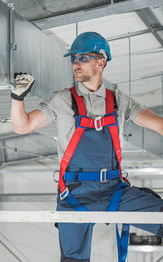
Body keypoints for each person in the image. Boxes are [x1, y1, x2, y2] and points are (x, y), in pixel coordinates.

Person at [10, 31, 163, 262]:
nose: (75, 63)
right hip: (74, 193)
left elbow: (160, 124)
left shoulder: (119, 100)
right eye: (73, 58)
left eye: (82, 58)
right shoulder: (61, 100)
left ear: (101, 61)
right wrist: (17, 98)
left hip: (113, 189)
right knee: (73, 260)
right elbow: (23, 126)